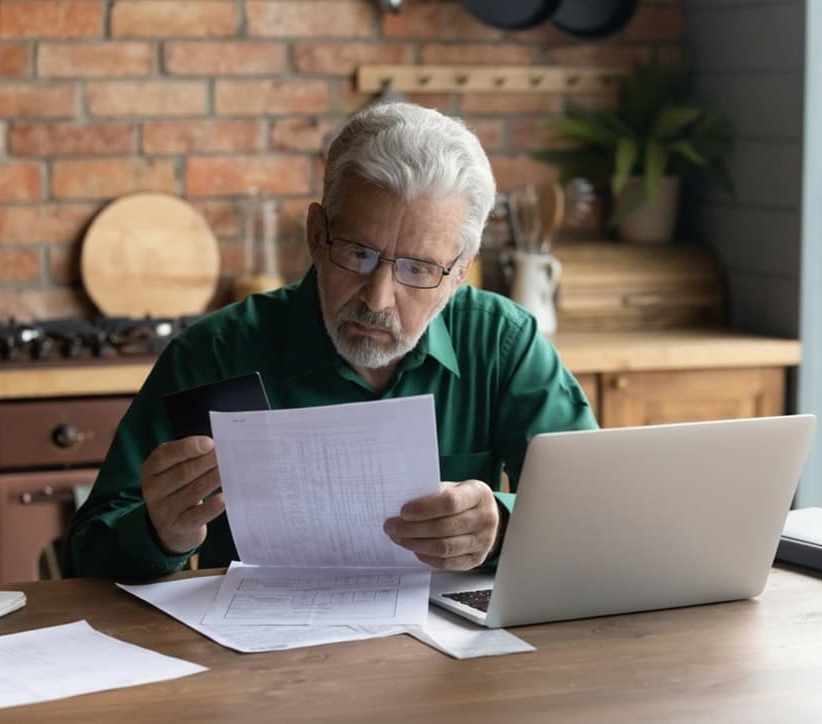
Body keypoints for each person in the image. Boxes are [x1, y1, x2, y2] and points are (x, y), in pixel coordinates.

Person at [63, 103, 598, 580]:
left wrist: (501, 523)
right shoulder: (214, 352)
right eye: (357, 254)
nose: (379, 297)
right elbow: (87, 557)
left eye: (417, 269)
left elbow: (594, 513)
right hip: (254, 665)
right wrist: (160, 533)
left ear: (459, 273)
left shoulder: (502, 343)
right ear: (316, 234)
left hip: (447, 661)